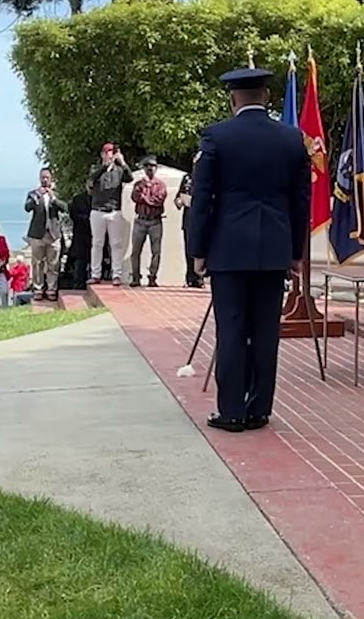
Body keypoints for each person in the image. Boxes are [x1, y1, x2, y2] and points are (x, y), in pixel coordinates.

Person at [187, 67, 310, 433]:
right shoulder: (291, 139)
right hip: (274, 248)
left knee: (232, 329)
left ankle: (231, 412)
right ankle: (259, 409)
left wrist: (198, 250)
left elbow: (202, 198)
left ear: (232, 99)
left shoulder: (217, 137)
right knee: (266, 331)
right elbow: (300, 200)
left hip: (228, 249)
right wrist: (296, 252)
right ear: (267, 97)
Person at [88, 142, 133, 285]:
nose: (110, 155)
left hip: (114, 211)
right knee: (97, 243)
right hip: (98, 211)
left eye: (112, 152)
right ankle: (96, 274)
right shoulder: (95, 169)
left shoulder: (119, 171)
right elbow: (91, 180)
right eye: (107, 152)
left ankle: (116, 274)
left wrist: (123, 162)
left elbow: (130, 178)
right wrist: (104, 167)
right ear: (102, 154)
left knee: (116, 244)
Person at [24, 167, 66, 301]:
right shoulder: (33, 194)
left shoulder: (57, 194)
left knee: (53, 263)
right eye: (43, 177)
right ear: (39, 178)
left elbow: (64, 207)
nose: (45, 180)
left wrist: (53, 198)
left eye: (47, 177)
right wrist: (36, 196)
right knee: (37, 263)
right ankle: (38, 288)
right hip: (38, 234)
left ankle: (51, 289)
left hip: (53, 234)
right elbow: (27, 207)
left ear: (51, 179)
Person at [129, 156, 167, 287]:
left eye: (152, 166)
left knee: (156, 251)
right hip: (141, 220)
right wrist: (148, 197)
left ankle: (152, 277)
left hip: (155, 221)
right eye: (147, 166)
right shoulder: (139, 184)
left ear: (156, 168)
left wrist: (145, 197)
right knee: (135, 251)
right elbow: (135, 197)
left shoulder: (160, 185)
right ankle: (135, 277)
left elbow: (159, 200)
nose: (150, 169)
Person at [175, 152, 204, 288]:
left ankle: (199, 278)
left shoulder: (206, 178)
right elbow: (179, 196)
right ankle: (190, 278)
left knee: (200, 248)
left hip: (201, 218)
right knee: (188, 248)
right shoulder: (187, 178)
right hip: (188, 218)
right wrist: (179, 201)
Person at [67, 181, 93, 289]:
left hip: (95, 235)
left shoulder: (100, 199)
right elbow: (73, 215)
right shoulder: (78, 199)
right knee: (80, 263)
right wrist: (87, 219)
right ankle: (78, 285)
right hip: (81, 235)